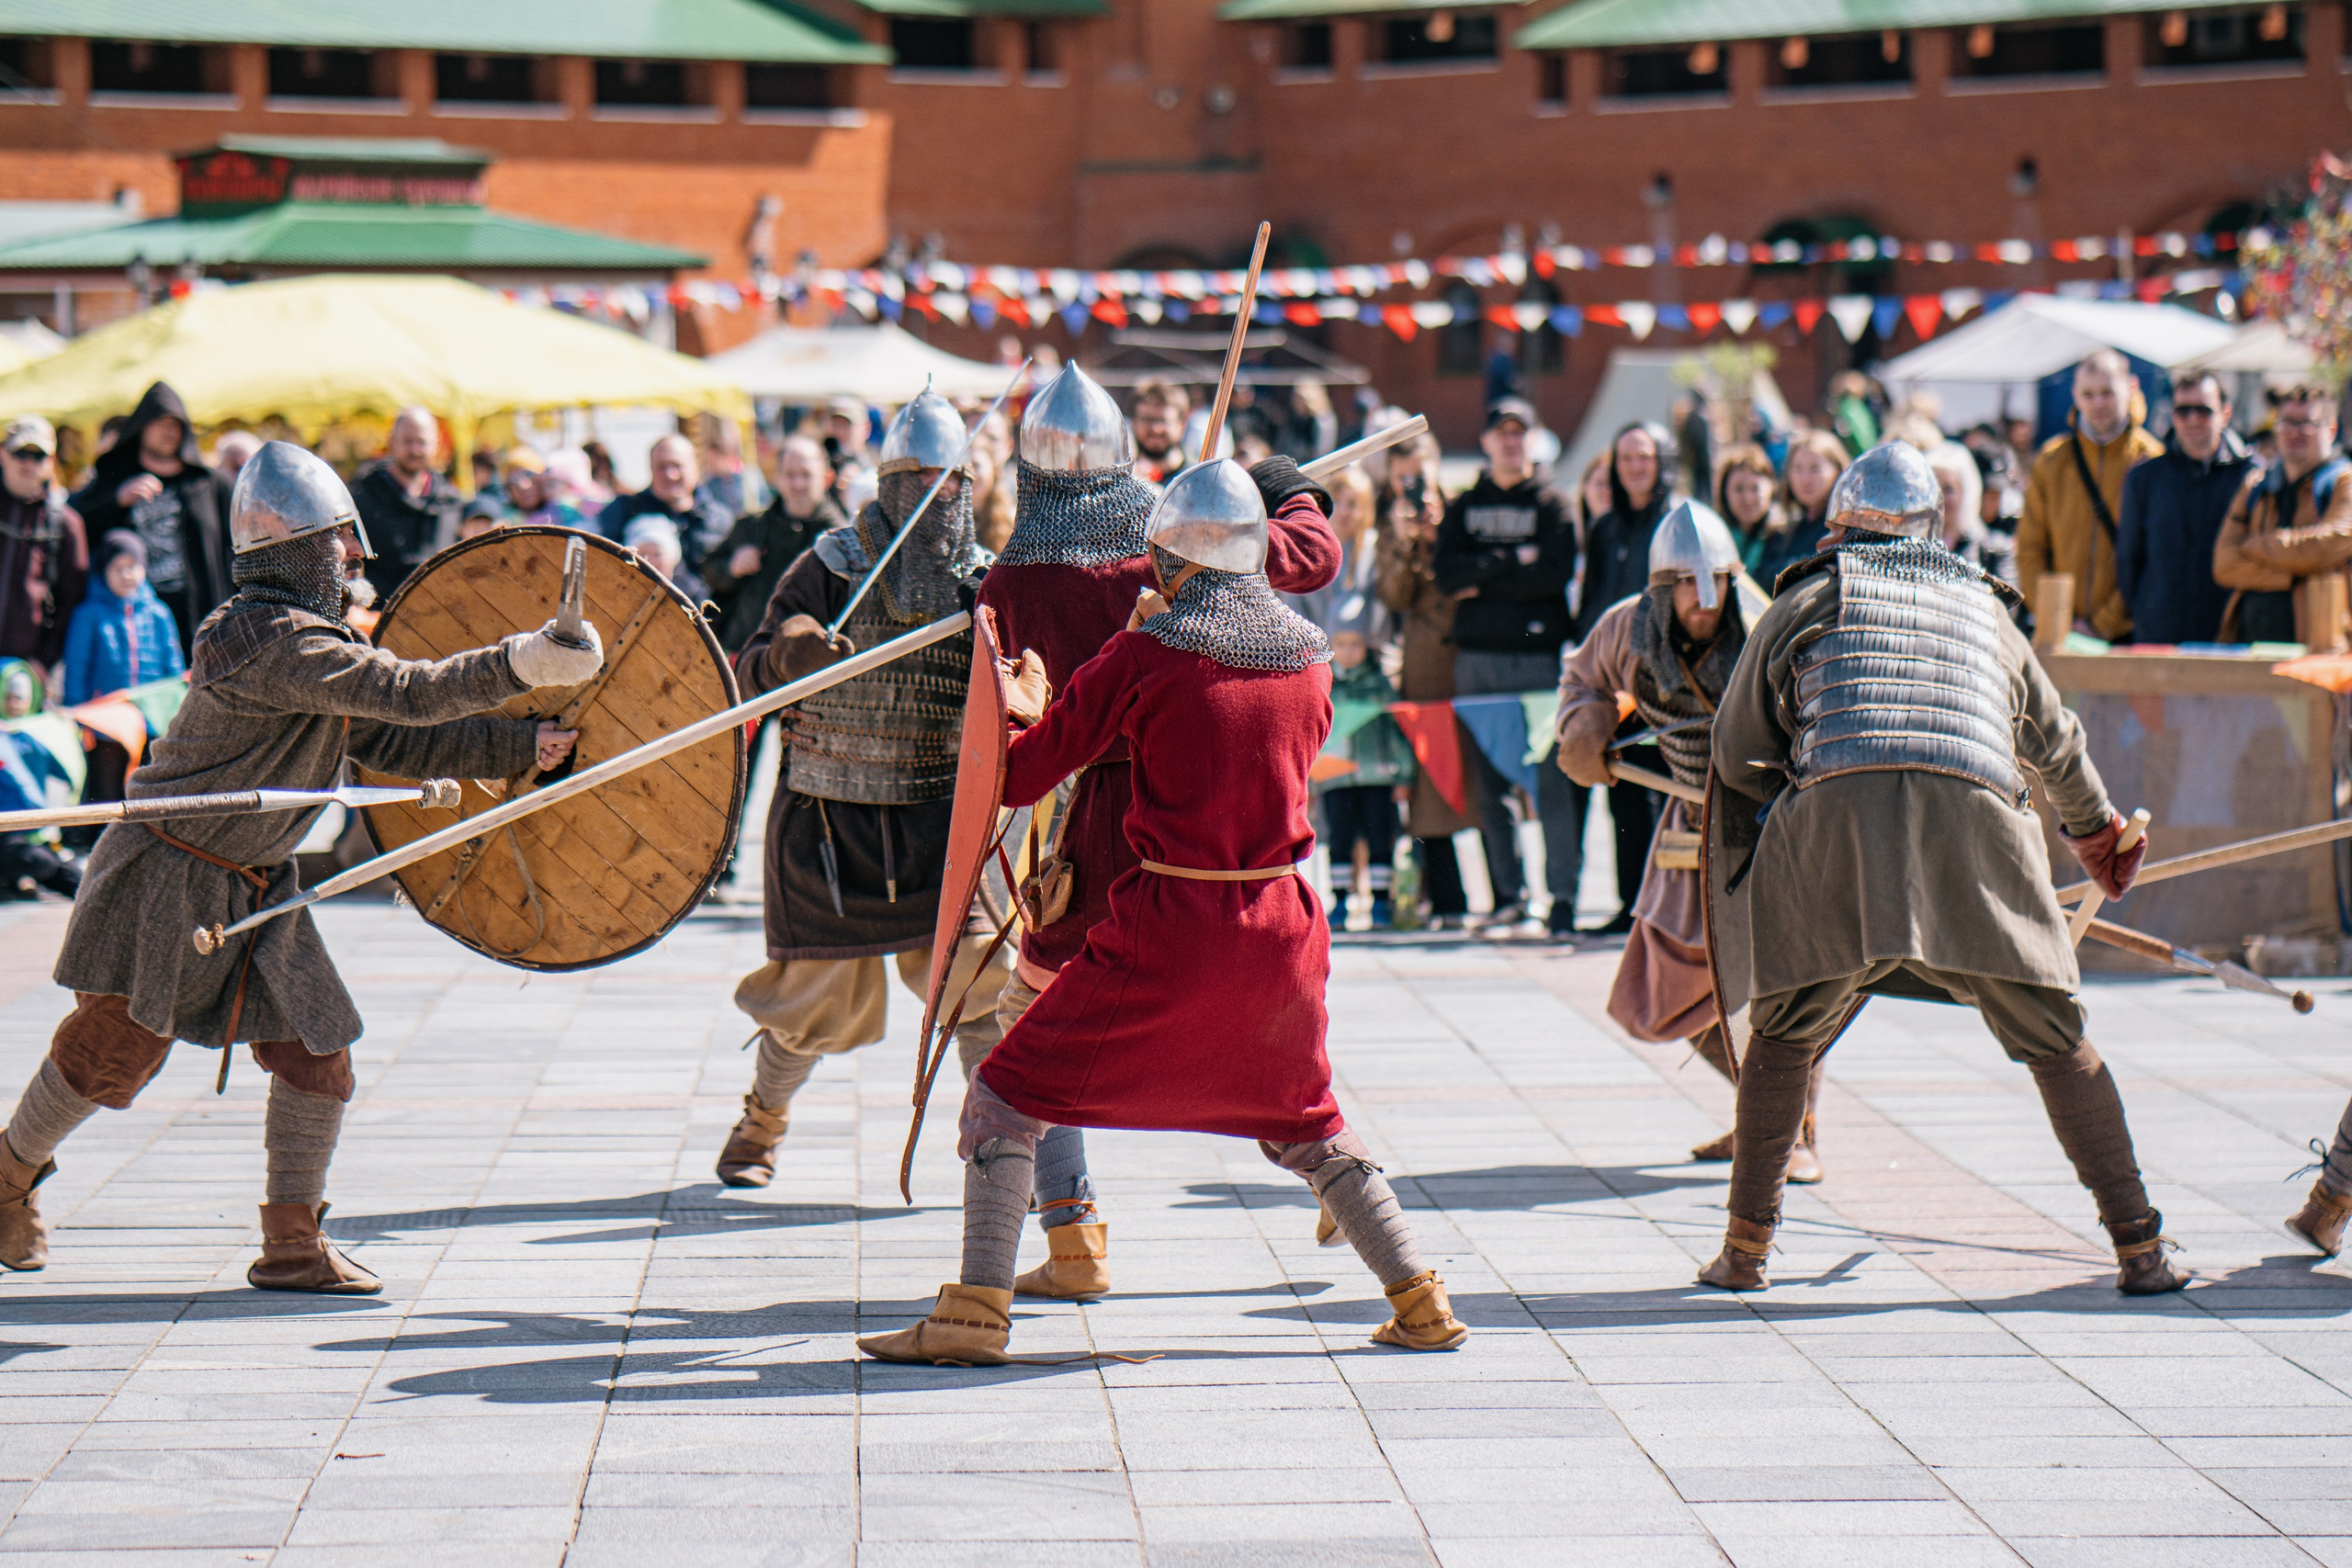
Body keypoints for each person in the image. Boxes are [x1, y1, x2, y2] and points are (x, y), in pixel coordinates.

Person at [858, 455, 1466, 1367]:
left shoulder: (1142, 654)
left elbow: (1020, 776)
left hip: (1170, 926)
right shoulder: (1307, 655)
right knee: (1305, 1123)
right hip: (1284, 932)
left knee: (1003, 1100)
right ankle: (1419, 1300)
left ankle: (975, 1312)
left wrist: (1019, 706)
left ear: (1172, 562)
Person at [0, 442, 596, 1287]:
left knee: (319, 1050)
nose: (353, 556)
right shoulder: (261, 639)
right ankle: (6, 1178)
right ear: (296, 550)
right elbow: (406, 692)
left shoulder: (310, 643)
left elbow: (389, 736)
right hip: (170, 872)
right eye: (337, 542)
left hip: (256, 876)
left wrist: (523, 746)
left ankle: (292, 1243)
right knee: (111, 1050)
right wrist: (518, 665)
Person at [1695, 441, 2180, 1297]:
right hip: (1978, 831)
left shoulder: (1806, 597)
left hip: (1836, 830)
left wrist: (1801, 796)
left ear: (1839, 525)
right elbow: (2054, 740)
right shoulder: (1984, 610)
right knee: (2056, 1036)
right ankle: (2139, 1247)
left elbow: (1737, 757)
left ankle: (1744, 1251)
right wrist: (2097, 832)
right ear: (1935, 528)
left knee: (1785, 1030)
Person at [967, 364, 1340, 1299]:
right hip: (1217, 828)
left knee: (1029, 1040)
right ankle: (1342, 1180)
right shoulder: (1171, 542)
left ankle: (1070, 1242)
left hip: (1100, 830)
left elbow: (1014, 732)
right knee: (1259, 1029)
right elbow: (1310, 556)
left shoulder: (1013, 575)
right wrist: (1279, 486)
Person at [713, 389, 1008, 1193]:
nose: (934, 496)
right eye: (917, 480)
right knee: (811, 1000)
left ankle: (998, 1142)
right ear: (886, 482)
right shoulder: (828, 564)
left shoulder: (983, 582)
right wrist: (788, 654)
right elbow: (747, 673)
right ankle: (760, 1125)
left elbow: (1012, 693)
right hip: (828, 821)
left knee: (978, 987)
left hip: (938, 820)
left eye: (948, 483)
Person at [1555, 500, 1825, 1182]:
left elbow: (1816, 710)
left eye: (1715, 585)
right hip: (1684, 826)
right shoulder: (1627, 627)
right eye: (1685, 586)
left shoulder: (1769, 622)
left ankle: (1794, 1133)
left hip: (1770, 824)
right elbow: (1582, 677)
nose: (1703, 602)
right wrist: (1586, 728)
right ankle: (1762, 1111)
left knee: (1778, 986)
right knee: (1662, 984)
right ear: (1662, 586)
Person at [1434, 398, 1581, 937]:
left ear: (1533, 440)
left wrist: (1486, 577)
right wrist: (1511, 561)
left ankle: (1562, 896)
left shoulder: (1553, 505)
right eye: (1503, 433)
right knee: (1489, 787)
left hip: (1537, 661)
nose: (1511, 442)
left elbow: (1553, 573)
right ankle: (1508, 896)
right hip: (1476, 661)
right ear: (1488, 441)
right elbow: (1447, 575)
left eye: (1521, 433)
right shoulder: (1464, 505)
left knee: (1552, 785)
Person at [1574, 421, 1682, 935]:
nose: (1635, 467)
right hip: (1611, 686)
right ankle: (1628, 906)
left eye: (1645, 457)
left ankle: (1665, 909)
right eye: (1626, 459)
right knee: (1621, 793)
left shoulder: (1676, 525)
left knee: (1664, 796)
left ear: (1662, 462)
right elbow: (1591, 606)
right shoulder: (1604, 529)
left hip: (1665, 684)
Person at [1374, 433, 1475, 930]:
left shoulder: (1461, 514)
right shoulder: (1389, 527)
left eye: (1420, 477)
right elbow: (1395, 595)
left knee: (1485, 782)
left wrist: (1441, 536)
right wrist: (1402, 541)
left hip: (1467, 662)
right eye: (1403, 480)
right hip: (1423, 671)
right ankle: (1448, 898)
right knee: (1430, 785)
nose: (1413, 491)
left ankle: (1508, 892)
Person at [68, 383, 232, 657]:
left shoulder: (210, 484)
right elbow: (74, 527)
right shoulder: (114, 477)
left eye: (175, 424)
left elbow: (234, 550)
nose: (168, 431)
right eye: (158, 422)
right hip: (133, 625)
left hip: (202, 619)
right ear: (141, 427)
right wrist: (117, 501)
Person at [2018, 350, 2163, 642]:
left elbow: (2155, 560)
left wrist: (2104, 624)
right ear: (2075, 395)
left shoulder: (2153, 460)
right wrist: (2056, 618)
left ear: (2131, 388)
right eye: (2089, 394)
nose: (2098, 403)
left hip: (2128, 633)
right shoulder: (2051, 460)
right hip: (2059, 633)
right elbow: (2030, 549)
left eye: (2107, 393)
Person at [2212, 384, 2352, 645]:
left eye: (2306, 423)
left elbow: (2325, 548)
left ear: (2331, 429)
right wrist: (2295, 575)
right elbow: (2224, 565)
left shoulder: (2344, 483)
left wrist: (2256, 546)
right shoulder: (2255, 485)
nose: (2294, 432)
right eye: (2286, 422)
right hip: (2249, 646)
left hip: (2320, 649)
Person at [2115, 377, 2248, 646]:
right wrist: (2144, 610)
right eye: (2183, 411)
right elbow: (2128, 560)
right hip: (2160, 636)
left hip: (2230, 638)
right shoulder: (2145, 478)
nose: (2192, 419)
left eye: (2203, 410)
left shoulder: (2251, 476)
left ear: (2225, 414)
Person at [702, 434, 844, 655]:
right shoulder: (751, 526)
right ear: (777, 477)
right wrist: (731, 568)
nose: (798, 483)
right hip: (749, 656)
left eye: (806, 475)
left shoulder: (843, 538)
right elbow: (709, 569)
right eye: (790, 474)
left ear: (827, 478)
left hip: (812, 664)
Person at [1320, 626, 1410, 929]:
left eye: (1355, 644)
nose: (1347, 651)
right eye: (1341, 644)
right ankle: (1341, 900)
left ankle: (1382, 901)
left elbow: (1396, 731)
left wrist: (1404, 774)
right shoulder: (1323, 682)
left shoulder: (1379, 685)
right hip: (1335, 776)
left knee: (1380, 838)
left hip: (1378, 774)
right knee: (1339, 839)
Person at [348, 407, 461, 607]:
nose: (415, 450)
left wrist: (483, 513)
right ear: (392, 442)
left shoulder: (450, 500)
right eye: (408, 441)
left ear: (436, 445)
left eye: (422, 442)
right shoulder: (363, 498)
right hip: (379, 619)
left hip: (440, 614)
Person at [0, 416, 86, 677]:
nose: (28, 463)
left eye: (37, 456)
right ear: (2, 454)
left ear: (51, 462)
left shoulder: (65, 524)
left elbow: (71, 600)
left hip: (22, 675)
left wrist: (44, 661)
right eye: (20, 453)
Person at [62, 532, 183, 705]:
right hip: (105, 718)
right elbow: (76, 670)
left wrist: (176, 706)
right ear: (104, 572)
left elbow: (173, 666)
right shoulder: (88, 616)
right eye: (117, 568)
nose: (126, 575)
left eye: (132, 567)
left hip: (152, 715)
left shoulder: (159, 614)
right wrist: (76, 713)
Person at [599, 434, 729, 567]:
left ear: (696, 467)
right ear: (651, 469)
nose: (670, 475)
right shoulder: (624, 511)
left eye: (677, 465)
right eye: (661, 467)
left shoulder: (719, 519)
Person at [1749, 429, 1846, 588]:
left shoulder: (1844, 530)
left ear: (1837, 471)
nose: (1805, 479)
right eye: (1797, 469)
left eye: (1815, 469)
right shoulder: (1786, 530)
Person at [1926, 441, 2018, 591]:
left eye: (1948, 489)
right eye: (1934, 487)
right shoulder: (1912, 547)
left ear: (1966, 492)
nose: (1939, 497)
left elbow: (2006, 607)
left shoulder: (1995, 551)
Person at [1713, 443, 1781, 571]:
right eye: (1738, 489)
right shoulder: (1714, 540)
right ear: (1724, 492)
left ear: (1772, 489)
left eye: (1755, 489)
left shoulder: (1784, 537)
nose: (1748, 499)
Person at [622, 514, 706, 604]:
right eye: (643, 554)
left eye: (657, 554)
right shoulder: (622, 590)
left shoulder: (693, 592)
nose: (650, 561)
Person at [501, 448, 587, 532]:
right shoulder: (506, 524)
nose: (523, 486)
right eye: (513, 480)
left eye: (529, 474)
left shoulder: (570, 512)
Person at [1131, 379, 1190, 486]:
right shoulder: (1123, 480)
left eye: (1164, 420)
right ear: (1134, 422)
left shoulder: (1194, 477)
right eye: (1147, 420)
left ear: (1182, 423)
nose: (1156, 429)